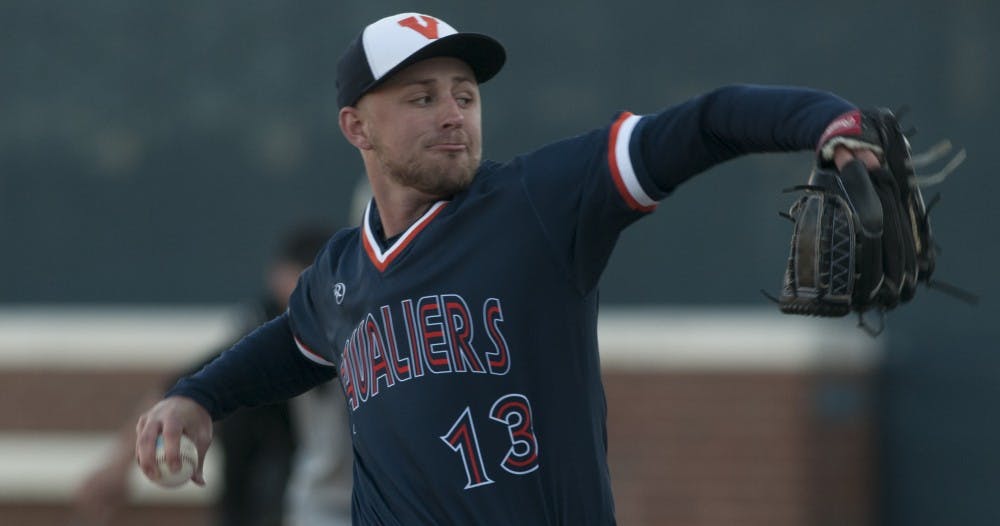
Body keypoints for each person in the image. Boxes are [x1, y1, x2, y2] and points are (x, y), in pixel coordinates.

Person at [135, 12, 883, 525]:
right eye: (421, 97)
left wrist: (828, 122)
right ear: (356, 126)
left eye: (465, 94)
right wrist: (198, 397)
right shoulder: (340, 270)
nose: (454, 113)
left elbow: (703, 123)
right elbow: (290, 346)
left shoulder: (536, 203)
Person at [74, 224, 352, 526]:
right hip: (281, 483)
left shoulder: (355, 316)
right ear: (280, 276)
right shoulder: (269, 325)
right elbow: (187, 388)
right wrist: (119, 464)